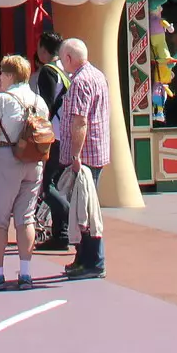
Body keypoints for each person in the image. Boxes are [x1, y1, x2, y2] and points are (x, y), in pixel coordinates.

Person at [0, 54, 48, 289]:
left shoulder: (2, 100)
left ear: (9, 75)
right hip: (34, 161)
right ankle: (25, 274)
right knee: (26, 217)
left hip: (6, 158)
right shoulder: (39, 101)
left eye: (2, 74)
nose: (0, 78)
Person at [58, 37, 111, 279]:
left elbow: (80, 121)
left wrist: (75, 155)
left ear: (69, 58)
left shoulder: (80, 82)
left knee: (85, 210)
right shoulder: (97, 75)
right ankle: (83, 259)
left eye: (63, 59)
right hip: (95, 151)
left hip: (86, 155)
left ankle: (93, 262)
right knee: (84, 207)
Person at [31, 32, 71, 253]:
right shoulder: (67, 69)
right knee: (58, 183)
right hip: (68, 134)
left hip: (54, 136)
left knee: (46, 185)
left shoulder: (48, 71)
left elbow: (45, 107)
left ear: (43, 49)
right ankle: (60, 234)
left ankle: (68, 215)